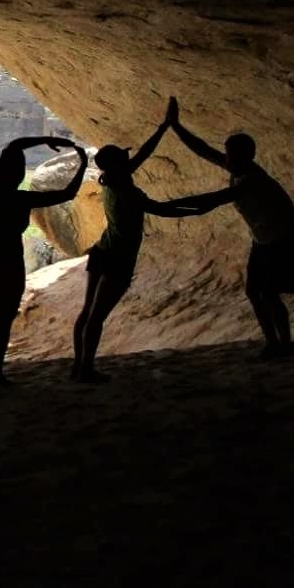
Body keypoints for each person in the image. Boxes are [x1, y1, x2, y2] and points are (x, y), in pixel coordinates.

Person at [74, 99, 210, 384]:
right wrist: (199, 207)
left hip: (102, 251)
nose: (129, 160)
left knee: (88, 312)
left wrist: (164, 128)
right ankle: (86, 369)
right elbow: (164, 209)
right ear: (119, 164)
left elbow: (142, 155)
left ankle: (79, 365)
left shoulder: (111, 179)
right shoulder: (128, 191)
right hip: (118, 258)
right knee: (97, 316)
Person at [166, 98, 294, 359]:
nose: (227, 159)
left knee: (270, 294)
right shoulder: (238, 168)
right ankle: (273, 343)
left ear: (248, 156)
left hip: (283, 238)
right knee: (255, 291)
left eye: (232, 155)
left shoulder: (252, 178)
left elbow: (212, 201)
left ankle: (283, 345)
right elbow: (202, 149)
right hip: (263, 239)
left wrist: (164, 206)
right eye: (227, 153)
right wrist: (176, 126)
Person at [0, 136, 87, 387]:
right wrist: (83, 162)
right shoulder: (23, 199)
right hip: (11, 264)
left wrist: (48, 139)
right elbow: (69, 192)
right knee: (3, 323)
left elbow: (13, 145)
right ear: (19, 173)